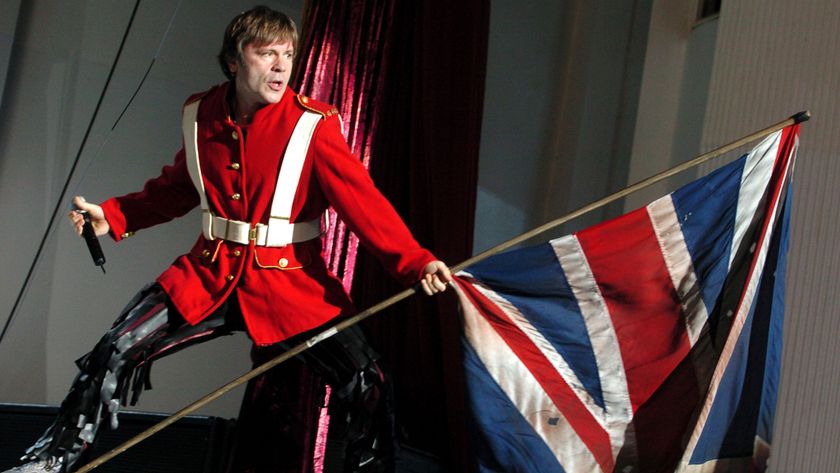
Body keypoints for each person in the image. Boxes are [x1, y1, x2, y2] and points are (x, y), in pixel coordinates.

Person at [7, 6, 451, 473]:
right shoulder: (201, 114)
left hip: (291, 286)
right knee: (115, 349)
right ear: (235, 61)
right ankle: (52, 462)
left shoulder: (313, 125)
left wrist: (415, 262)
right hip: (209, 273)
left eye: (288, 54)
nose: (281, 66)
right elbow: (178, 188)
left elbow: (365, 205)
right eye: (267, 54)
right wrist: (113, 216)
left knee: (369, 382)